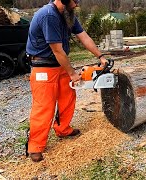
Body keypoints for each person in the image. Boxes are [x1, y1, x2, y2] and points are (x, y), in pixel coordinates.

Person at [26, 0, 108, 162]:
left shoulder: (68, 15)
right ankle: (35, 146)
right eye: (75, 1)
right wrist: (72, 73)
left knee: (68, 97)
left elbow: (83, 36)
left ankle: (63, 129)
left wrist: (101, 56)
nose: (76, 4)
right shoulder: (49, 15)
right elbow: (57, 49)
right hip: (43, 66)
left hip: (60, 64)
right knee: (44, 106)